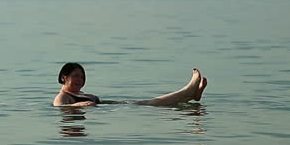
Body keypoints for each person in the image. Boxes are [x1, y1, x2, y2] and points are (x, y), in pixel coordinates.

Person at [53, 62, 207, 107]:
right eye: (75, 76)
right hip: (119, 110)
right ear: (64, 77)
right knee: (151, 103)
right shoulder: (63, 96)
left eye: (81, 76)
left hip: (116, 105)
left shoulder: (80, 94)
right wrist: (78, 106)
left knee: (150, 102)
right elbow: (59, 108)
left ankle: (192, 94)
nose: (79, 79)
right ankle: (189, 91)